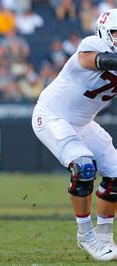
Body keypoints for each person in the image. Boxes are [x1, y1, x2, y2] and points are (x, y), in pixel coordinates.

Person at [32, 9, 117, 262]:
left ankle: (104, 237)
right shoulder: (92, 44)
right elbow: (94, 60)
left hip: (83, 123)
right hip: (52, 117)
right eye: (116, 33)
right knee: (84, 168)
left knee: (115, 176)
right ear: (104, 32)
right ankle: (86, 236)